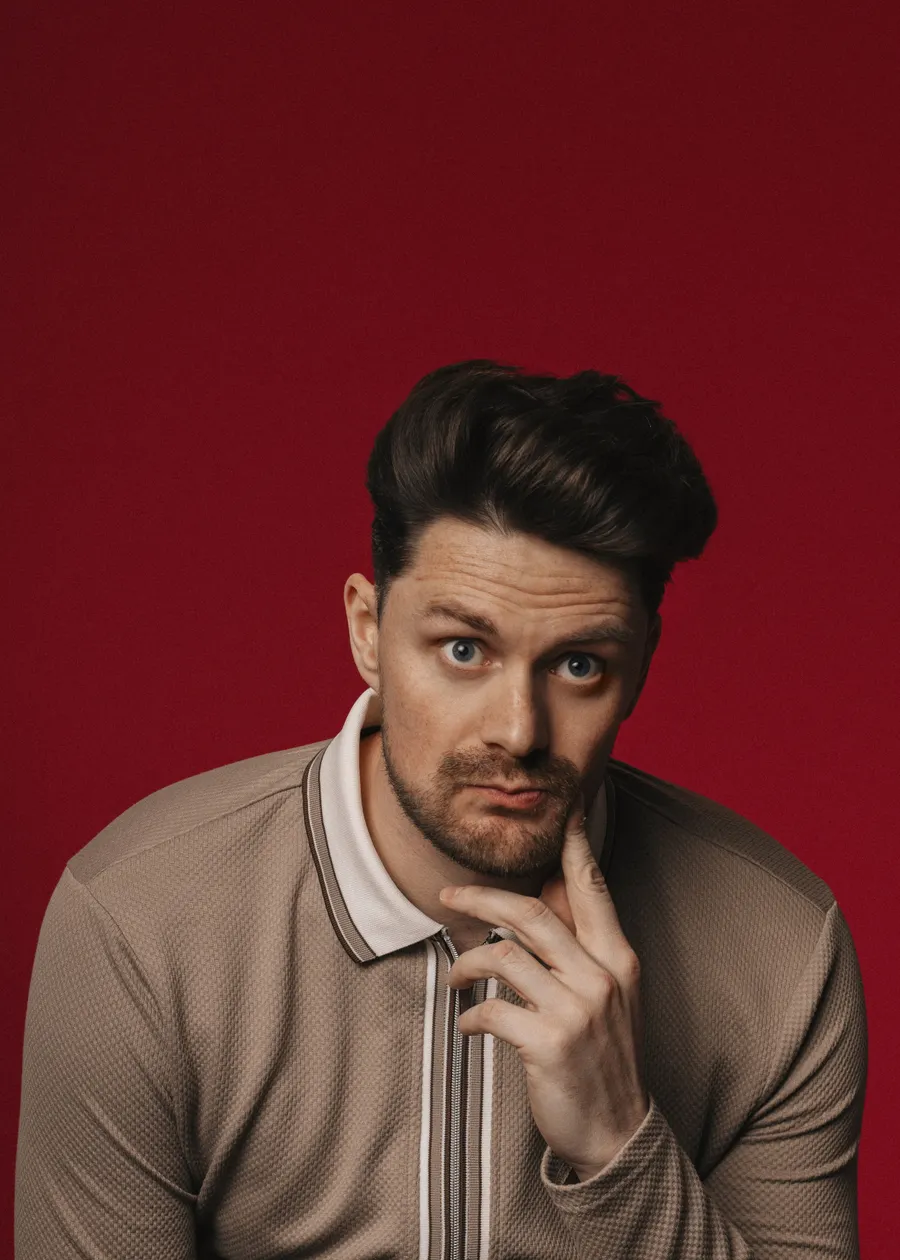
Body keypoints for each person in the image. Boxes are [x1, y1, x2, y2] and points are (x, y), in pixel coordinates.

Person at [15, 360, 867, 1259]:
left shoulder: (777, 947)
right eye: (464, 649)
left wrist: (621, 1147)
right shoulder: (142, 924)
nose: (519, 730)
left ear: (642, 663)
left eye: (579, 665)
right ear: (367, 631)